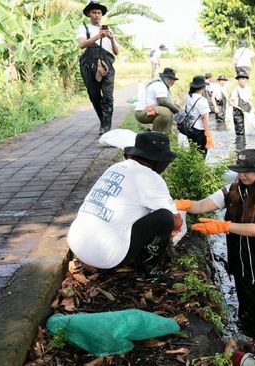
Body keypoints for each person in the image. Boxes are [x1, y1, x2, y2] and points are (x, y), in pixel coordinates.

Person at [174, 149, 255, 338]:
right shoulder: (232, 190)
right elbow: (203, 205)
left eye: (248, 170)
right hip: (243, 267)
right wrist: (186, 204)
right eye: (240, 170)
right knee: (249, 319)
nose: (242, 175)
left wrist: (224, 226)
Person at [67, 132, 181, 275]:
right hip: (106, 257)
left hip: (77, 243)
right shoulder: (150, 178)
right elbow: (176, 222)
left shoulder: (115, 167)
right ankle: (148, 270)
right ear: (158, 162)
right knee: (165, 217)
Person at [76, 0, 119, 135]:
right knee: (94, 97)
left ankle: (106, 127)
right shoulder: (84, 28)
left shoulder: (108, 29)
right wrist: (98, 36)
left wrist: (111, 38)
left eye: (99, 13)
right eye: (94, 12)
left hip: (107, 65)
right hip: (90, 65)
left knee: (108, 97)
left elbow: (116, 52)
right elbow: (82, 44)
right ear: (89, 13)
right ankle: (103, 121)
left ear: (101, 15)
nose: (96, 15)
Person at [134, 67, 181, 134]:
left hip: (148, 110)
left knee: (170, 110)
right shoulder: (160, 85)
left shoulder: (161, 84)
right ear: (164, 77)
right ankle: (156, 136)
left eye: (173, 79)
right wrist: (177, 111)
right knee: (165, 112)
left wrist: (177, 108)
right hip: (142, 112)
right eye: (169, 78)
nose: (172, 81)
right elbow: (162, 102)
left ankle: (166, 135)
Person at [183, 75, 213, 157]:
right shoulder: (202, 100)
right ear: (202, 87)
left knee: (193, 151)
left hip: (190, 128)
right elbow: (204, 117)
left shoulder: (189, 96)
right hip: (200, 130)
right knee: (201, 153)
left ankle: (192, 168)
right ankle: (200, 169)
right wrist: (207, 133)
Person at [229, 71, 255, 136]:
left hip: (247, 110)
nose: (241, 81)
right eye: (240, 79)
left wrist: (253, 107)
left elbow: (250, 100)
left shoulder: (249, 89)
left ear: (246, 79)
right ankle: (240, 145)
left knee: (249, 130)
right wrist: (239, 108)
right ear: (238, 81)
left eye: (243, 79)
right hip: (238, 113)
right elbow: (231, 102)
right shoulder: (236, 90)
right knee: (240, 132)